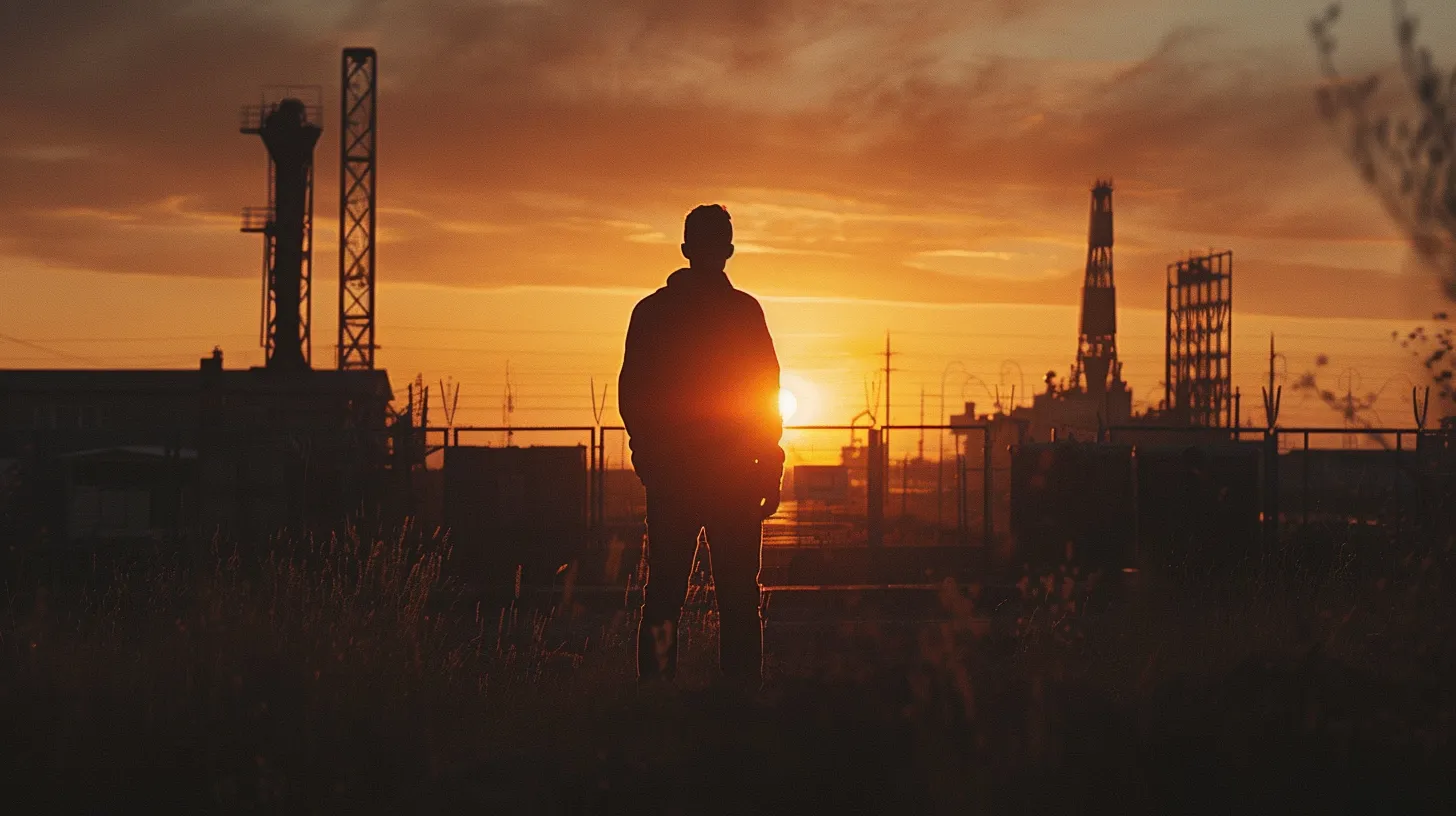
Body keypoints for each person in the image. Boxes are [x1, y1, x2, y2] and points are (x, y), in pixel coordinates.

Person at [618, 204, 785, 684]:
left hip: (675, 477)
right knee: (738, 597)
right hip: (734, 475)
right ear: (729, 251)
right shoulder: (744, 312)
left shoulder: (652, 313)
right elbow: (765, 393)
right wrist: (767, 467)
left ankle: (656, 698)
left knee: (664, 594)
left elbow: (634, 394)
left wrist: (651, 461)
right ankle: (740, 700)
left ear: (686, 249)